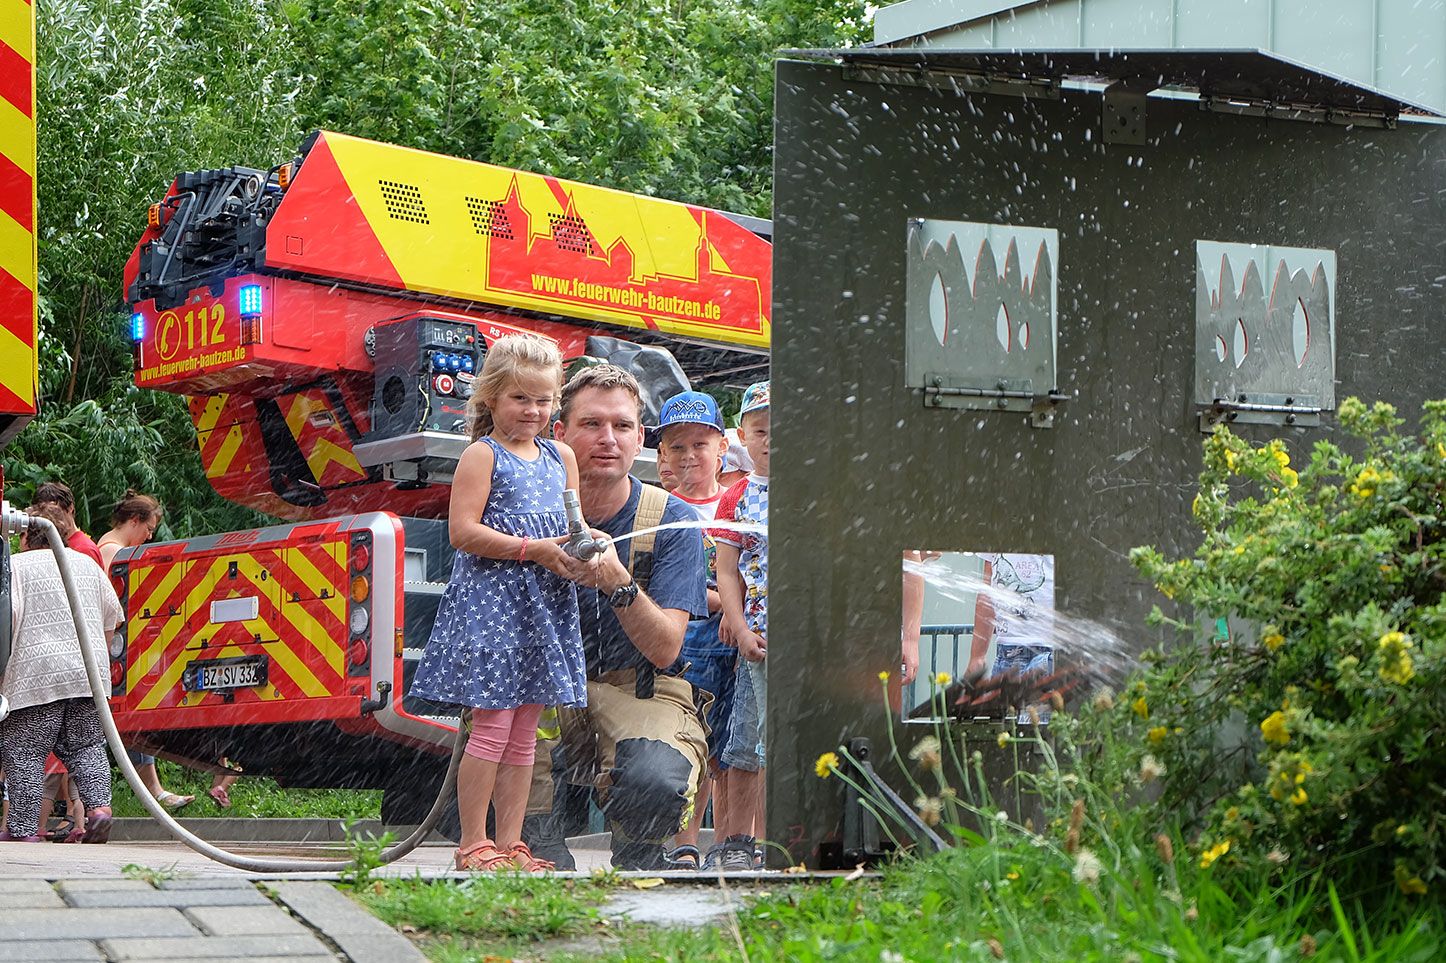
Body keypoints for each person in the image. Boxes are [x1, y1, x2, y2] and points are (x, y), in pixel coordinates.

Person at [409, 334, 589, 873]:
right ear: (491, 397)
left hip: (545, 604)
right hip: (494, 605)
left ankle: (512, 844)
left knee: (525, 731)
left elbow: (574, 526)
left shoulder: (561, 457)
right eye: (520, 399)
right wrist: (532, 549)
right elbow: (462, 532)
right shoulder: (480, 455)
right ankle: (472, 845)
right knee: (491, 726)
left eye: (543, 400)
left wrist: (588, 547)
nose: (533, 411)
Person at [549, 364, 709, 871]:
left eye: (621, 426)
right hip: (544, 690)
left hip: (639, 689)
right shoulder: (526, 508)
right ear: (560, 433)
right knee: (488, 765)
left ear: (640, 437)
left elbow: (666, 649)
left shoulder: (672, 518)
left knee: (655, 783)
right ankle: (536, 848)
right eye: (591, 424)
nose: (607, 439)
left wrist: (619, 583)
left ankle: (640, 853)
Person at [647, 390, 733, 870]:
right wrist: (720, 602)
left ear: (722, 446)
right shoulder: (657, 508)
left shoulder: (741, 502)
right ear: (662, 455)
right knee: (690, 742)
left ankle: (729, 843)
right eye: (677, 447)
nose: (689, 456)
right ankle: (684, 842)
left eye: (700, 443)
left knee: (731, 748)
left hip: (734, 641)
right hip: (687, 638)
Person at [0, 505, 121, 843]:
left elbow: (5, 619)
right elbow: (112, 617)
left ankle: (23, 830)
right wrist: (96, 668)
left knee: (23, 750)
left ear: (25, 535)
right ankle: (99, 810)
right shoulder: (86, 565)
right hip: (88, 675)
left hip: (35, 672)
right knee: (87, 745)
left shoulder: (15, 566)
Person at [95, 491, 193, 809]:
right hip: (110, 647)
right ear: (134, 521)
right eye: (148, 529)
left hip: (113, 646)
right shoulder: (113, 554)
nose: (149, 537)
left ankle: (152, 788)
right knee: (128, 717)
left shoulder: (107, 548)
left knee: (132, 717)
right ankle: (150, 790)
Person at [711, 380, 770, 871]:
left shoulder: (817, 495)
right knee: (748, 739)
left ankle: (777, 839)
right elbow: (725, 570)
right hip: (758, 638)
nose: (773, 440)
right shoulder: (737, 499)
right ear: (743, 439)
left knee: (778, 739)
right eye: (762, 430)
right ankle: (738, 839)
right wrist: (738, 624)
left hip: (803, 638)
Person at [968, 553, 1056, 722]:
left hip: (1049, 652)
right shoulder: (997, 530)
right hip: (1007, 654)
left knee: (1037, 735)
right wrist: (977, 656)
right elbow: (987, 590)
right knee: (1002, 733)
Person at [30, 481, 103, 567]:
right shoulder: (47, 544)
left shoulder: (85, 549)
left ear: (70, 508)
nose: (50, 518)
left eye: (55, 512)